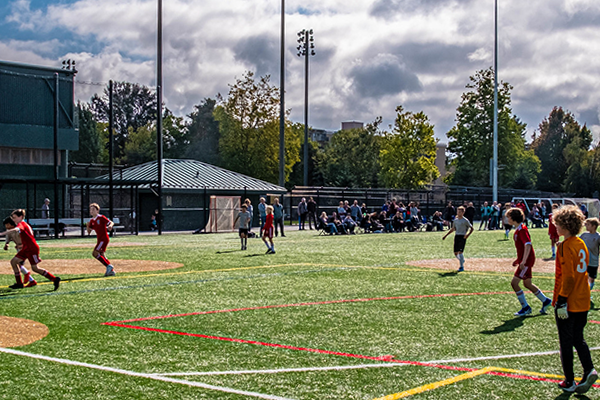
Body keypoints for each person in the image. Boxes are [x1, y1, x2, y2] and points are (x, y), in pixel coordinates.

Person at [552, 205, 597, 393]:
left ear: (564, 225)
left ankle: (569, 381)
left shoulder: (564, 246)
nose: (555, 227)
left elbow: (568, 278)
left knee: (566, 341)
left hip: (569, 300)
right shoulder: (581, 244)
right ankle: (589, 370)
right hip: (583, 298)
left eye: (557, 224)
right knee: (579, 338)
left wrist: (561, 299)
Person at [505, 208, 552, 317]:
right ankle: (545, 301)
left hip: (527, 261)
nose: (507, 219)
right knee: (527, 284)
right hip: (525, 260)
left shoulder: (522, 229)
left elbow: (528, 245)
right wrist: (518, 259)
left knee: (514, 283)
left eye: (508, 217)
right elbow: (522, 247)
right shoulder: (518, 229)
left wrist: (524, 261)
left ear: (513, 218)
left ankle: (525, 307)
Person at [0, 209, 60, 290]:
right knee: (13, 262)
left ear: (20, 217)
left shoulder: (22, 224)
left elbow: (16, 230)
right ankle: (19, 283)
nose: (13, 219)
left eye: (14, 217)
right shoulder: (21, 224)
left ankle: (54, 279)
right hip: (26, 248)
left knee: (35, 268)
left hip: (32, 249)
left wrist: (2, 234)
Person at [3, 217, 36, 287]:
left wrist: (22, 245)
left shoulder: (19, 229)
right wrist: (7, 243)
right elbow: (8, 237)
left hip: (26, 248)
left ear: (9, 224)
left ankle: (24, 278)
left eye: (6, 225)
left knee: (17, 263)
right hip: (19, 248)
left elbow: (28, 238)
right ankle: (31, 280)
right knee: (19, 264)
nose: (6, 227)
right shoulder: (9, 230)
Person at [87, 203, 116, 277]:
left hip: (104, 239)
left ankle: (109, 266)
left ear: (97, 211)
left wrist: (110, 226)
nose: (91, 211)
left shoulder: (101, 217)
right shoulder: (92, 220)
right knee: (102, 255)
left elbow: (111, 222)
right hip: (99, 239)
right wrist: (87, 227)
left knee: (95, 253)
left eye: (93, 209)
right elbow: (89, 232)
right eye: (90, 210)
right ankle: (111, 270)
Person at [442, 206, 474, 272]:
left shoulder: (465, 220)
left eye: (460, 212)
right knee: (455, 253)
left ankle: (461, 266)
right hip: (457, 236)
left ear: (463, 212)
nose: (458, 213)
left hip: (462, 236)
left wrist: (467, 235)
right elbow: (453, 229)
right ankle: (462, 260)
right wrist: (446, 235)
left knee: (460, 252)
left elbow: (472, 228)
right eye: (458, 211)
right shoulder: (455, 220)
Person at [580, 218, 600, 293]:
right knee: (583, 277)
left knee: (591, 278)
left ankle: (588, 291)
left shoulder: (598, 237)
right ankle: (585, 293)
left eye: (588, 225)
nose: (586, 226)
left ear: (594, 226)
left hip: (594, 261)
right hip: (584, 261)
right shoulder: (584, 235)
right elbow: (576, 241)